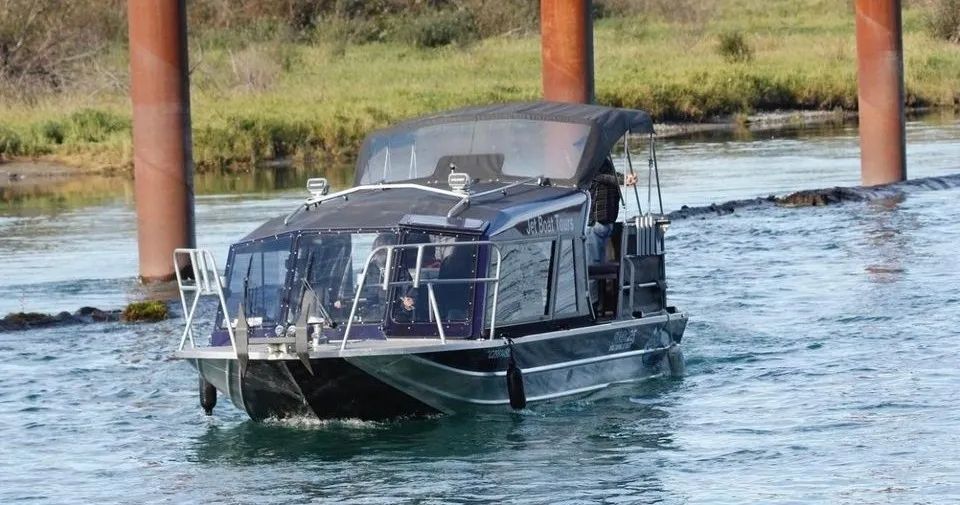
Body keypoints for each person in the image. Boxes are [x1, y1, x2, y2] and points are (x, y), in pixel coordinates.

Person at [586, 157, 638, 266]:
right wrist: (626, 179)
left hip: (596, 225)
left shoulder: (595, 176)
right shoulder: (610, 177)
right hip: (608, 224)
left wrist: (625, 179)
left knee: (593, 264)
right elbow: (614, 178)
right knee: (602, 262)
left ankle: (596, 282)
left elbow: (608, 178)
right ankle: (603, 281)